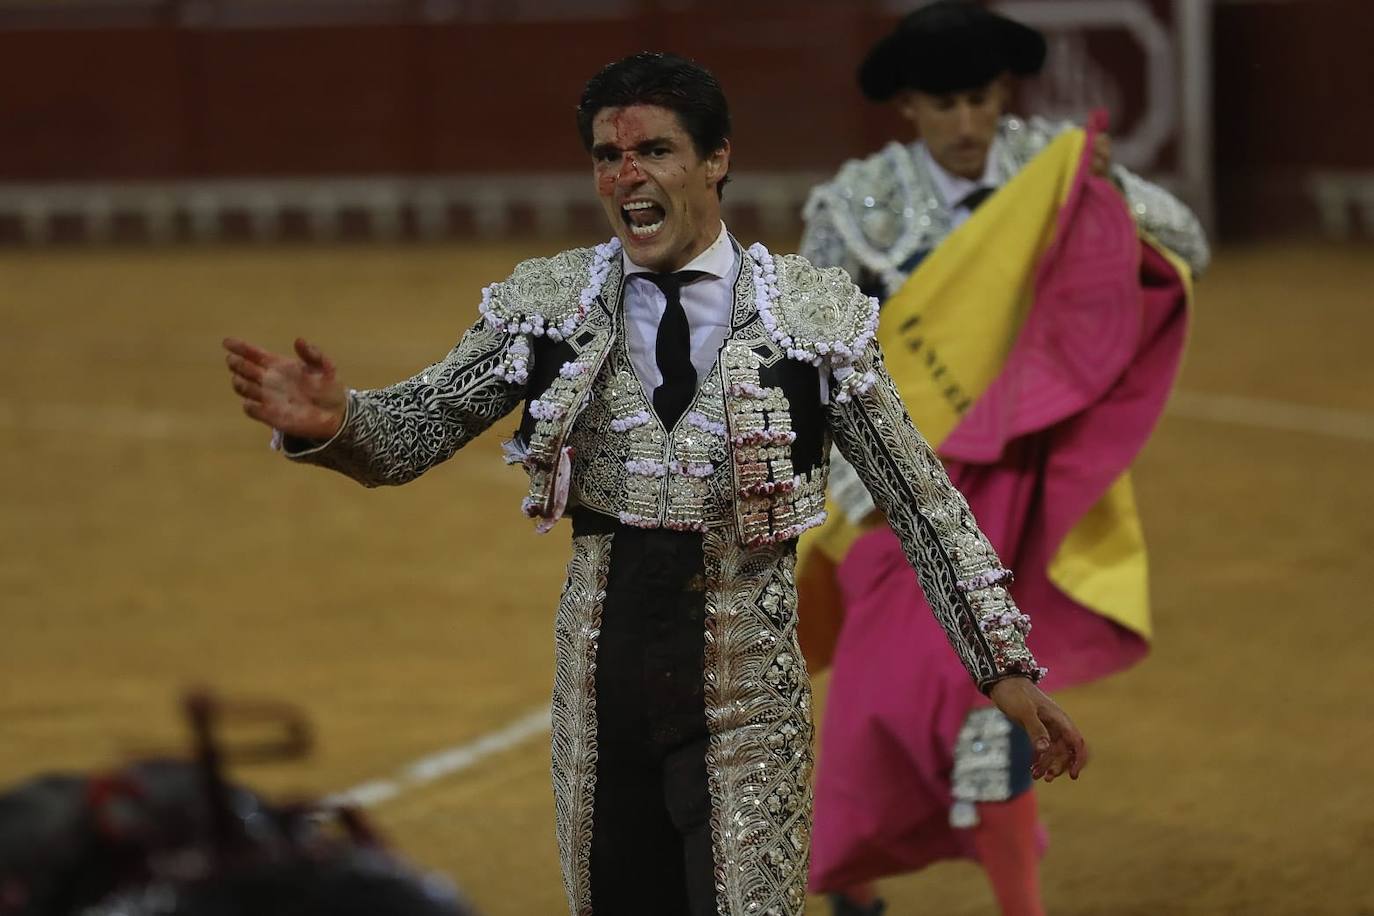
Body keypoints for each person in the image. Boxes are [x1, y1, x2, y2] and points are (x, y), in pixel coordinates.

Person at [223, 51, 1086, 916]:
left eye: (656, 152)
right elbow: (416, 431)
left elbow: (919, 499)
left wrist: (1001, 664)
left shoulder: (811, 318)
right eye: (607, 156)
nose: (627, 176)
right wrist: (337, 422)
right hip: (598, 701)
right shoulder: (551, 303)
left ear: (716, 160)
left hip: (748, 706)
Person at [798, 4, 1207, 915]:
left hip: (1016, 484)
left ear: (1005, 94)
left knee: (995, 711)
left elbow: (1188, 247)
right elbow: (809, 356)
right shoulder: (854, 205)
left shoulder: (1053, 168)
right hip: (890, 492)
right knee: (873, 711)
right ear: (908, 105)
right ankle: (853, 896)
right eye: (944, 104)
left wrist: (1118, 193)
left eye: (982, 99)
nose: (968, 125)